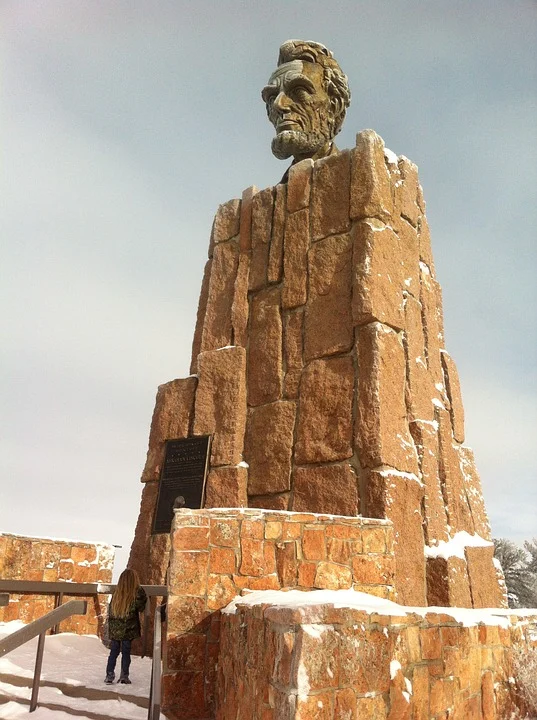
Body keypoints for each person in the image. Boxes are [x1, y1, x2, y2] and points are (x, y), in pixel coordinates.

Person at [261, 40, 351, 172]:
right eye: (272, 97)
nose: (278, 105)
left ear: (334, 107)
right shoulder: (280, 189)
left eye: (298, 91)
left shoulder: (353, 173)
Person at [104, 568, 147, 684]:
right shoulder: (135, 594)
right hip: (128, 629)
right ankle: (124, 675)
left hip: (115, 629)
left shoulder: (117, 594)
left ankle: (109, 674)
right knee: (126, 652)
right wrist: (141, 592)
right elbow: (141, 607)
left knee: (114, 651)